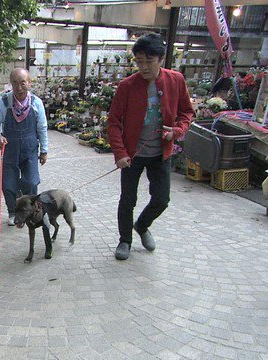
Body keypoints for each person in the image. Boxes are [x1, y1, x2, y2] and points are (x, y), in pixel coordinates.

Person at [107, 33, 194, 260]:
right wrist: (120, 152)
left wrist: (176, 131)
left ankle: (142, 225)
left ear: (161, 59)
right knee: (128, 199)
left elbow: (186, 112)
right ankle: (125, 240)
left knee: (161, 199)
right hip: (132, 155)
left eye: (149, 61)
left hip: (160, 153)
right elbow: (114, 121)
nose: (143, 67)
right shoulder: (127, 86)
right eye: (139, 62)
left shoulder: (176, 80)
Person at [0, 68, 48, 226]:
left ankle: (31, 211)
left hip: (30, 148)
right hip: (10, 147)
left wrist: (44, 150)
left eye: (23, 82)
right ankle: (12, 211)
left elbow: (42, 127)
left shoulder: (36, 103)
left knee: (31, 182)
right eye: (15, 82)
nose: (19, 86)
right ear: (11, 84)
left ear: (29, 83)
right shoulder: (2, 102)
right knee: (9, 183)